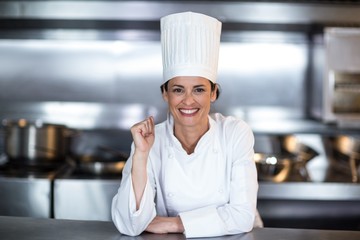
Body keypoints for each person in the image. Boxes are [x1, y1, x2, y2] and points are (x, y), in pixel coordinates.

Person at [111, 11, 262, 238]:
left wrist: (175, 224)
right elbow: (130, 224)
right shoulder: (149, 139)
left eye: (199, 89)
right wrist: (141, 155)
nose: (188, 101)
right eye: (178, 89)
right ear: (165, 93)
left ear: (213, 93)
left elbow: (242, 217)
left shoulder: (234, 133)